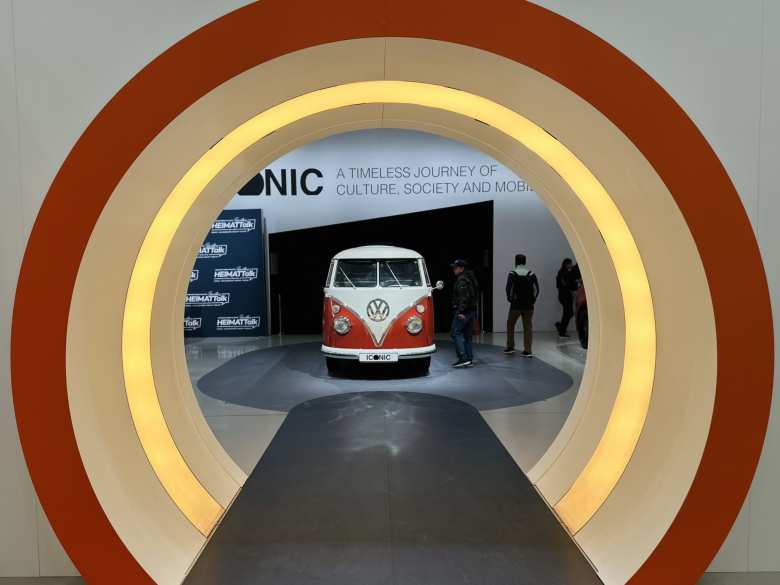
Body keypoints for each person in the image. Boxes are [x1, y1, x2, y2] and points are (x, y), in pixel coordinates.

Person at [504, 253, 539, 357]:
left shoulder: (512, 273)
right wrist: (532, 300)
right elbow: (537, 289)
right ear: (525, 261)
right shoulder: (531, 273)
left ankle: (510, 347)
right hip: (529, 306)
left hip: (516, 306)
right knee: (528, 327)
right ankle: (528, 350)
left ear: (516, 261)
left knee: (510, 325)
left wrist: (511, 300)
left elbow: (508, 288)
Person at [450, 259, 479, 368]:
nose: (454, 269)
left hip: (464, 311)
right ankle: (469, 358)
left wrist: (461, 312)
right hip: (471, 311)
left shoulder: (462, 280)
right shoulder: (470, 278)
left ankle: (462, 357)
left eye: (456, 267)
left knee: (454, 332)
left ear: (462, 268)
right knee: (467, 336)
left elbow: (464, 297)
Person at [555, 258, 579, 337]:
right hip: (565, 296)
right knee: (568, 313)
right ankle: (561, 330)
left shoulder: (565, 272)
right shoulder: (563, 273)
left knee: (568, 313)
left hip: (565, 296)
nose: (571, 265)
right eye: (570, 264)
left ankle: (561, 327)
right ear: (566, 264)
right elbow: (565, 284)